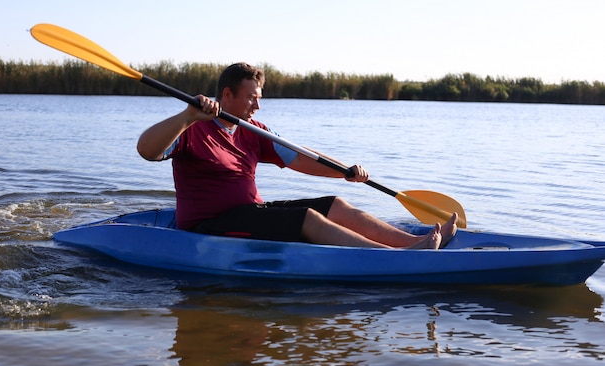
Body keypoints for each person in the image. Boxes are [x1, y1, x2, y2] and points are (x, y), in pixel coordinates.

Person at [137, 62, 457, 249]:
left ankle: (410, 243)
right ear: (227, 95)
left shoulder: (254, 129)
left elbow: (300, 157)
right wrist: (187, 115)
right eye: (251, 98)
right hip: (207, 227)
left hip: (249, 212)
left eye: (258, 99)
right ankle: (396, 258)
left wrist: (345, 172)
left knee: (336, 204)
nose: (257, 106)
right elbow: (147, 151)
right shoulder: (191, 129)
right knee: (306, 218)